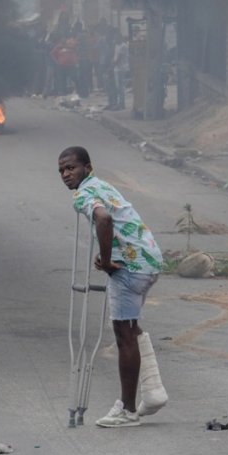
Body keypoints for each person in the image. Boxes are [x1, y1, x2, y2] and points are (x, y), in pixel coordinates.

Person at [58, 146, 168, 427]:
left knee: (123, 334)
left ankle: (127, 410)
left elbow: (104, 219)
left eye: (71, 168)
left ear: (87, 167)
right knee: (131, 327)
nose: (66, 174)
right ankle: (153, 392)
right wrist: (108, 253)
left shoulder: (84, 194)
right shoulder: (102, 186)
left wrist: (106, 261)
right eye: (61, 170)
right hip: (148, 260)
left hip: (129, 268)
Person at [112, 34, 130, 110]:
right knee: (118, 87)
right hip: (117, 69)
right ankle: (120, 103)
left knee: (120, 87)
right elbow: (115, 56)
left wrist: (111, 66)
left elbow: (118, 58)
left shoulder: (123, 46)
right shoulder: (117, 45)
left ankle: (121, 104)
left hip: (122, 68)